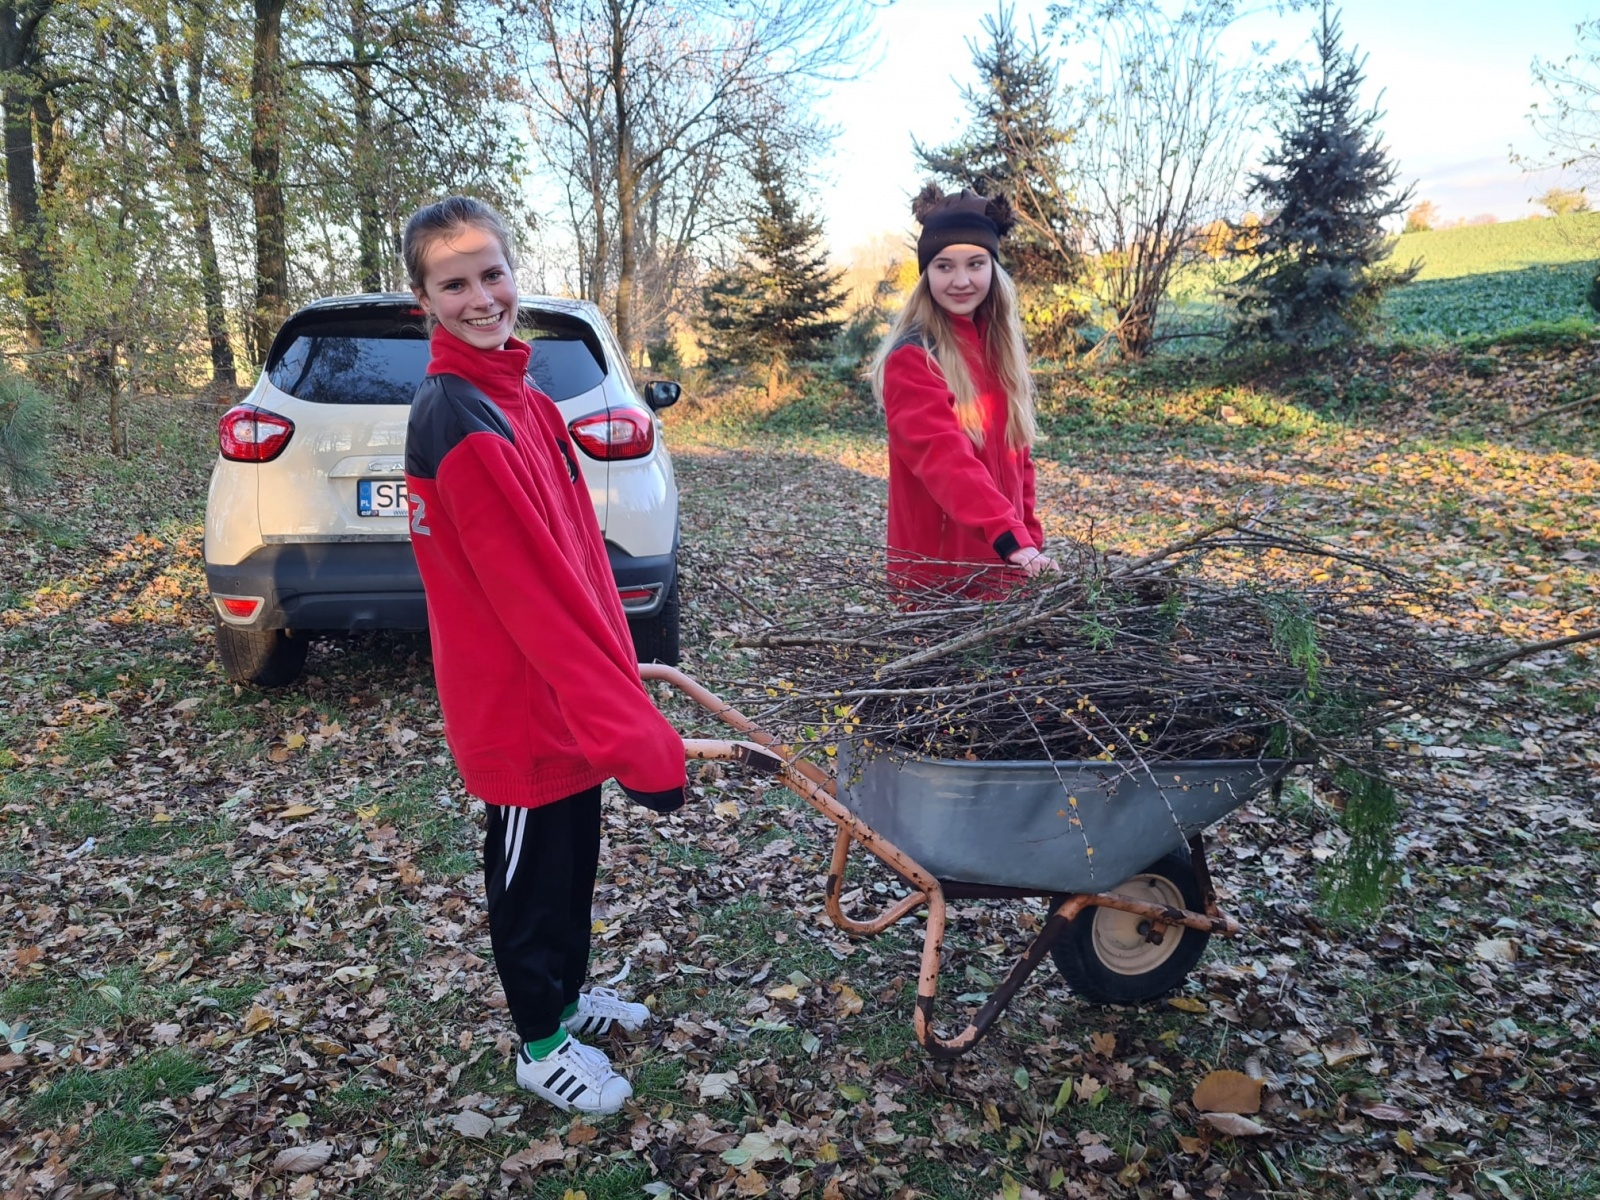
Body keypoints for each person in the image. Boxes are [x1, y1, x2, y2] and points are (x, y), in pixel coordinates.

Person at [401, 196, 687, 1116]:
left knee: (574, 859)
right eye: (456, 284)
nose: (481, 297)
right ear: (425, 300)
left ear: (514, 272)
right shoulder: (458, 419)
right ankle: (538, 1043)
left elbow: (580, 559)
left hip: (567, 689)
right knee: (529, 877)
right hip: (520, 700)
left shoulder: (519, 397)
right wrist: (629, 728)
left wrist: (615, 672)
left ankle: (568, 1000)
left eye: (492, 273)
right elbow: (530, 598)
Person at [871, 185, 1056, 595]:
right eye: (943, 267)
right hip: (944, 579)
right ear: (926, 275)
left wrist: (1028, 542)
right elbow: (945, 459)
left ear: (993, 267)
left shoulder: (999, 354)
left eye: (974, 264)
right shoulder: (914, 358)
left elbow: (1018, 461)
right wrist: (1010, 537)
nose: (961, 281)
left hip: (1006, 567)